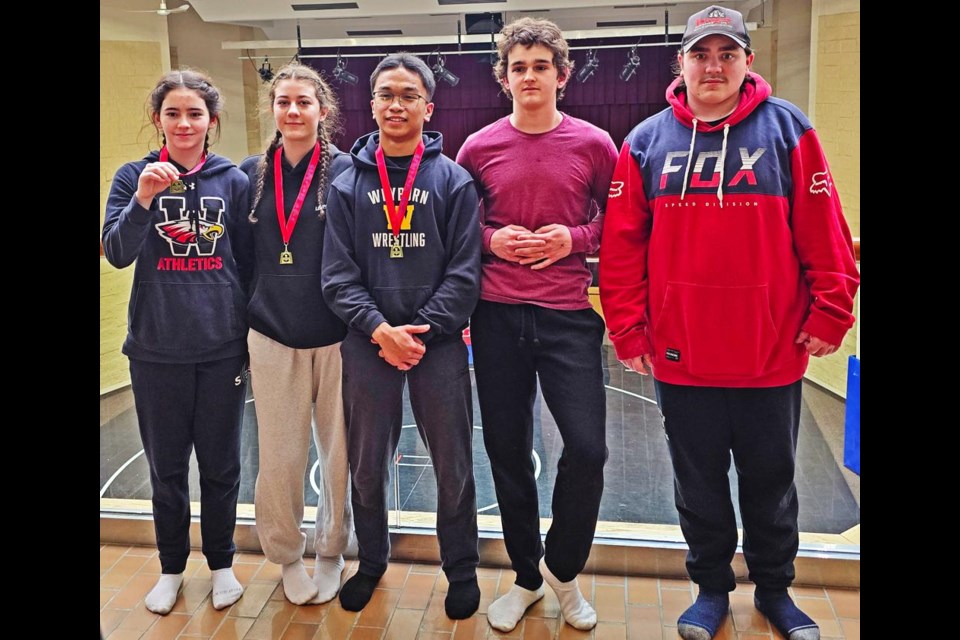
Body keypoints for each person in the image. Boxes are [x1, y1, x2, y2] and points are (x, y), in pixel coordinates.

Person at [599, 6, 860, 640]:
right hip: (682, 352)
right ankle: (710, 590)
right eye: (700, 54)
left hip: (770, 350)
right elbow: (622, 247)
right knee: (698, 485)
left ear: (748, 61)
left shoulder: (788, 130)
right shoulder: (646, 142)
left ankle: (775, 591)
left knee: (772, 483)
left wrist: (832, 309)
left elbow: (827, 236)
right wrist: (629, 329)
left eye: (726, 53)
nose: (712, 66)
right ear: (680, 63)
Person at [456, 18, 618, 633]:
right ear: (504, 79)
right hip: (495, 317)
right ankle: (527, 578)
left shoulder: (595, 144)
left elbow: (623, 219)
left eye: (540, 66)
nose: (529, 76)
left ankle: (562, 570)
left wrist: (572, 238)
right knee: (507, 451)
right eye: (518, 67)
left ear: (562, 75)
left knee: (588, 448)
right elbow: (460, 227)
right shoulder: (479, 147)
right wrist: (494, 239)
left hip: (567, 315)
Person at [321, 53, 482, 619]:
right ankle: (371, 562)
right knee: (367, 466)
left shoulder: (453, 179)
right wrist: (380, 330)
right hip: (368, 345)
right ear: (371, 105)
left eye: (408, 95)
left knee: (454, 464)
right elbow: (336, 277)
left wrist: (422, 331)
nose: (396, 104)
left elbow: (466, 274)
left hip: (436, 347)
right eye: (386, 94)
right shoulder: (346, 185)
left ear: (427, 107)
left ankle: (461, 568)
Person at [102, 69, 249, 615]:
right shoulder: (131, 176)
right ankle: (170, 568)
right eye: (172, 113)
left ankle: (223, 565)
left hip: (220, 348)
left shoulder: (233, 181)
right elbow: (116, 251)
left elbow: (248, 264)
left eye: (195, 114)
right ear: (157, 119)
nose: (184, 123)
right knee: (166, 468)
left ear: (211, 121)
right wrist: (142, 199)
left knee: (221, 465)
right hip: (155, 349)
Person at [236, 62, 353, 605]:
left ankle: (332, 550)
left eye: (303, 102)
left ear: (321, 112)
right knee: (279, 456)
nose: (293, 111)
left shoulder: (349, 173)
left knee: (338, 454)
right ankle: (286, 556)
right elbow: (239, 260)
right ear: (272, 110)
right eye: (283, 102)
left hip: (337, 336)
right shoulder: (250, 175)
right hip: (272, 335)